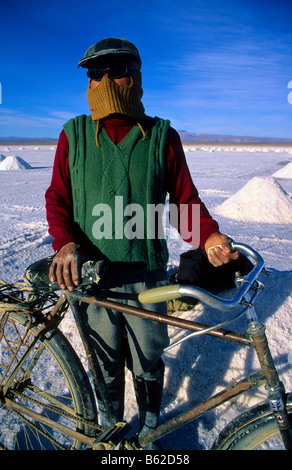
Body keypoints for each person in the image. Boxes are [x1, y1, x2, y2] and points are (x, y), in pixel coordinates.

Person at [45, 37, 238, 448]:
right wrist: (64, 243)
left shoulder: (161, 137)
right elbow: (57, 198)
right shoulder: (74, 135)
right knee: (106, 361)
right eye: (94, 73)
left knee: (149, 357)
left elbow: (183, 201)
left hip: (147, 277)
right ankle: (112, 431)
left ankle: (150, 432)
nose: (104, 81)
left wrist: (208, 236)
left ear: (134, 76)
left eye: (115, 71)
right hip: (93, 279)